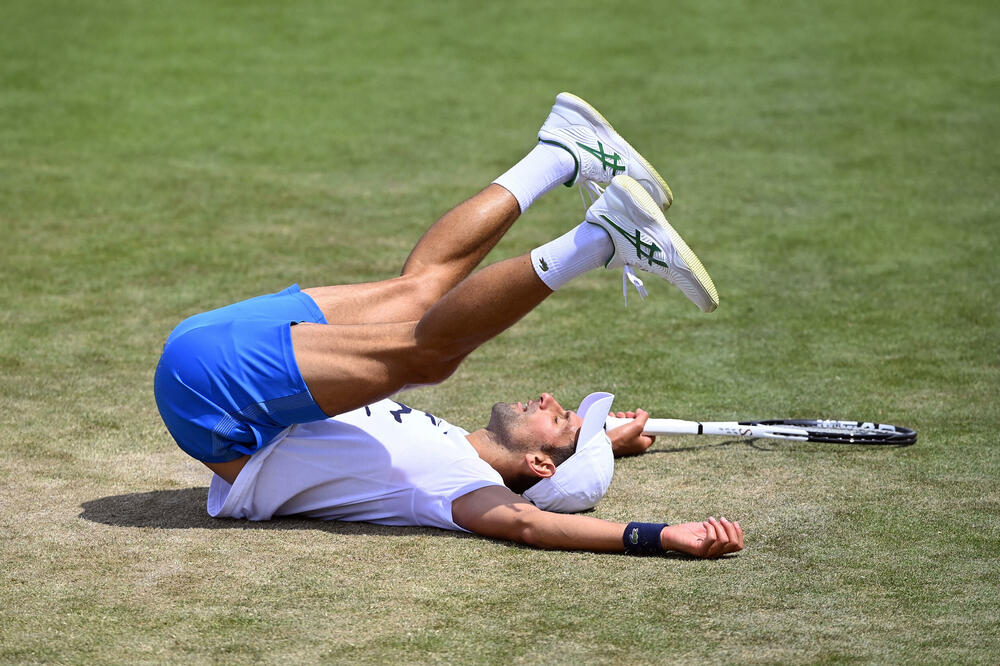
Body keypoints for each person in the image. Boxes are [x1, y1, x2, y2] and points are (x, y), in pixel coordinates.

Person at [154, 93, 743, 558]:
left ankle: (602, 238)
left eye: (559, 416)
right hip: (217, 366)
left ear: (539, 466)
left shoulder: (457, 486)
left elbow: (527, 523)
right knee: (420, 300)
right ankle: (562, 152)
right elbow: (548, 475)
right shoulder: (447, 442)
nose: (548, 396)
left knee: (429, 352)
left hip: (216, 396)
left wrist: (661, 535)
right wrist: (596, 443)